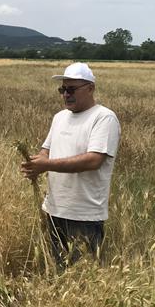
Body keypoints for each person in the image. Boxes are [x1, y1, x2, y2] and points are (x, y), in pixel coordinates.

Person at [20, 62, 121, 268]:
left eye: (71, 89)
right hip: (54, 210)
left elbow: (94, 160)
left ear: (90, 88)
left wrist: (46, 165)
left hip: (84, 215)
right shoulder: (60, 117)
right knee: (58, 270)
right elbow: (46, 149)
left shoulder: (103, 118)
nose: (66, 94)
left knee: (83, 279)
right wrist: (36, 163)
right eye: (62, 89)